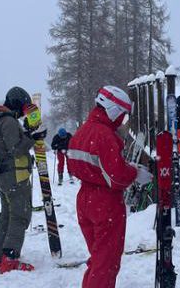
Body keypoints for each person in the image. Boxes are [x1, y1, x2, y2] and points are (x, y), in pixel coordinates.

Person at [68, 86, 150, 288]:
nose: (122, 121)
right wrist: (135, 173)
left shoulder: (82, 131)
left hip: (85, 199)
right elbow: (117, 177)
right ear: (113, 110)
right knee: (106, 263)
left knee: (98, 257)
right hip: (105, 203)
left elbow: (92, 165)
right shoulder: (106, 135)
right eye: (122, 116)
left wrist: (126, 167)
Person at [0, 87, 37, 274]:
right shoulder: (8, 121)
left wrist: (28, 133)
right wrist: (33, 137)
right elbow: (15, 149)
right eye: (23, 108)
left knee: (7, 216)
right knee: (20, 216)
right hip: (15, 175)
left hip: (4, 176)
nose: (23, 114)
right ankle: (10, 259)